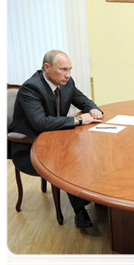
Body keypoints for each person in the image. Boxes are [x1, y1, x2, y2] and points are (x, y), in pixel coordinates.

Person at [9, 50, 103, 228]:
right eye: (63, 70)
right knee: (69, 160)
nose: (68, 75)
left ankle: (97, 196)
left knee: (92, 150)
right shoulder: (31, 88)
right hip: (30, 147)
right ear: (47, 68)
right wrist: (78, 119)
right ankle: (80, 211)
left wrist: (93, 109)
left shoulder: (66, 82)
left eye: (70, 69)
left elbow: (83, 100)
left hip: (55, 137)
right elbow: (40, 123)